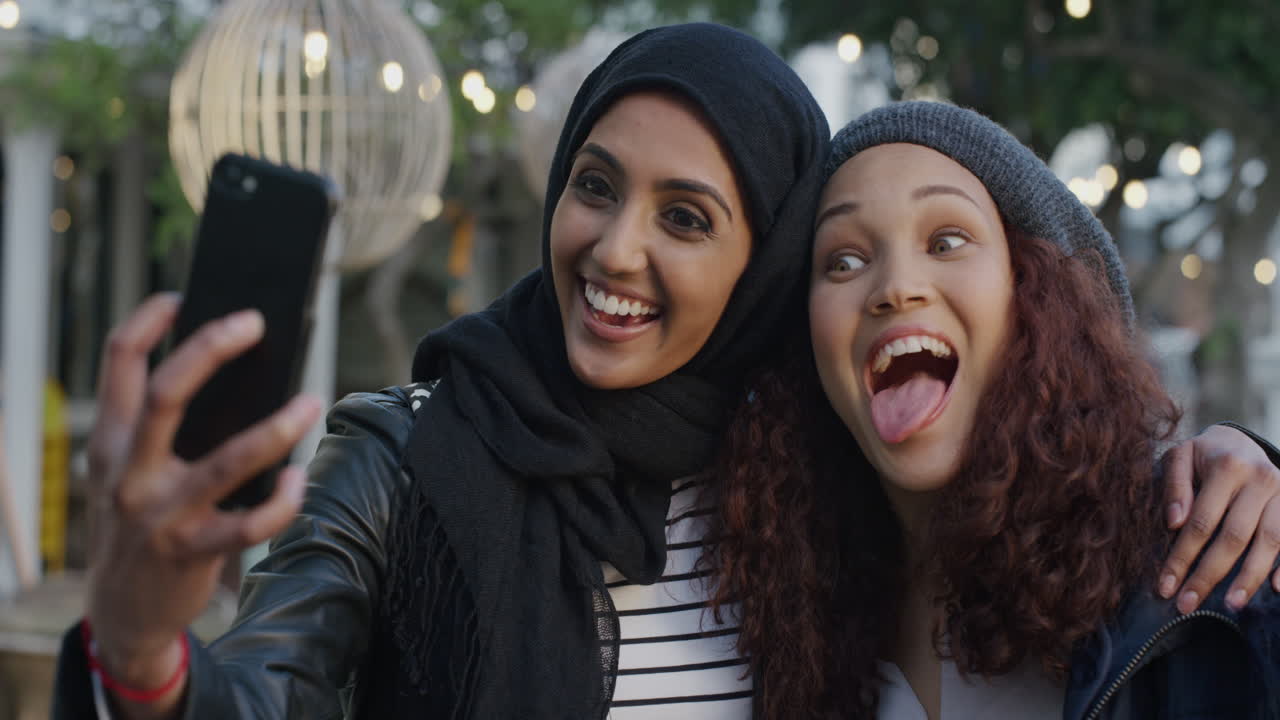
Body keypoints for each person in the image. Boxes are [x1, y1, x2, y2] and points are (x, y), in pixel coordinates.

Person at [56, 28, 1280, 719]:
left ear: (760, 274)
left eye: (686, 217)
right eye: (594, 187)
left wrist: (1229, 465)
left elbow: (1048, 502)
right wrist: (141, 643)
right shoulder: (401, 457)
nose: (614, 247)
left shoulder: (804, 479)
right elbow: (263, 696)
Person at [710, 101, 1280, 720]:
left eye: (946, 240)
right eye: (843, 261)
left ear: (1035, 298)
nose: (896, 287)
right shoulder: (781, 611)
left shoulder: (1209, 579)